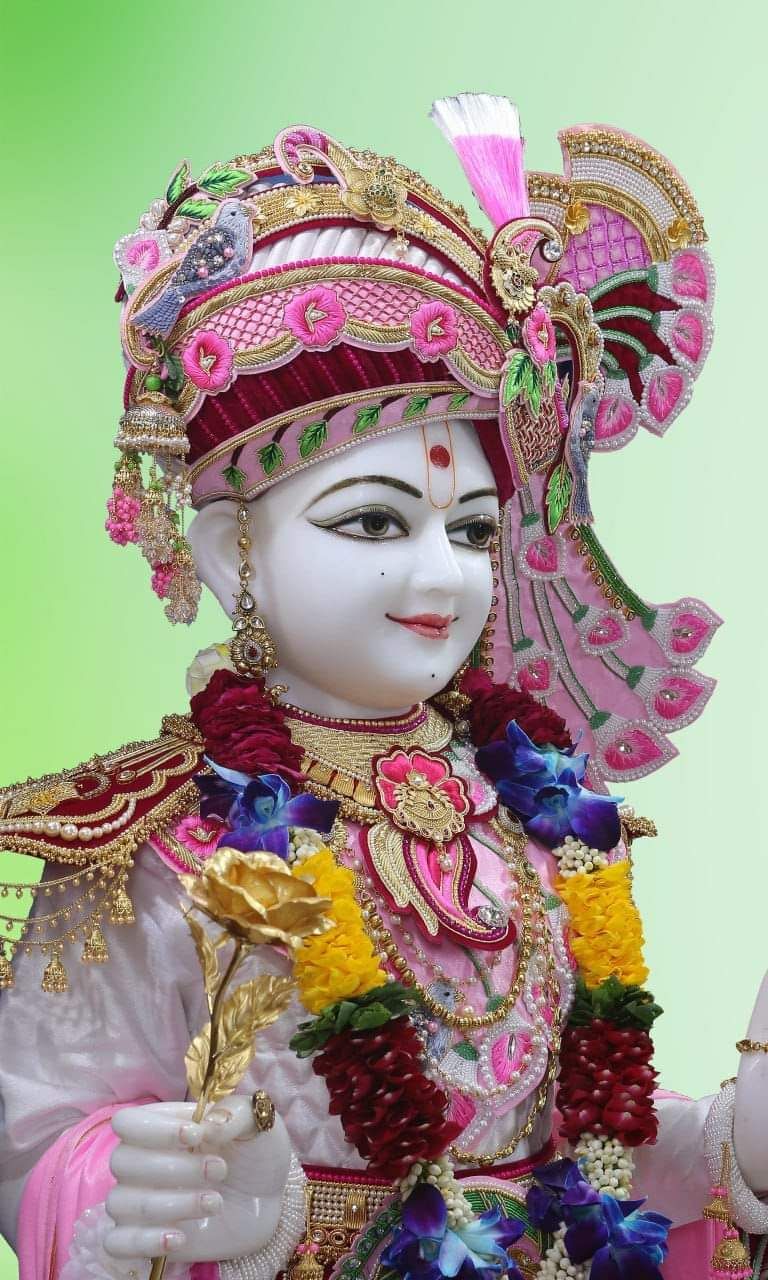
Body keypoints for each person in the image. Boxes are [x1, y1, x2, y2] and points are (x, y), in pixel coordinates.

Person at [1, 93, 766, 1280]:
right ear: (226, 553)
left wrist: (730, 1143)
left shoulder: (536, 811)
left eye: (471, 530)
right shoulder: (156, 844)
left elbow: (586, 1150)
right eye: (372, 520)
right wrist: (163, 1199)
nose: (440, 575)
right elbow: (35, 1133)